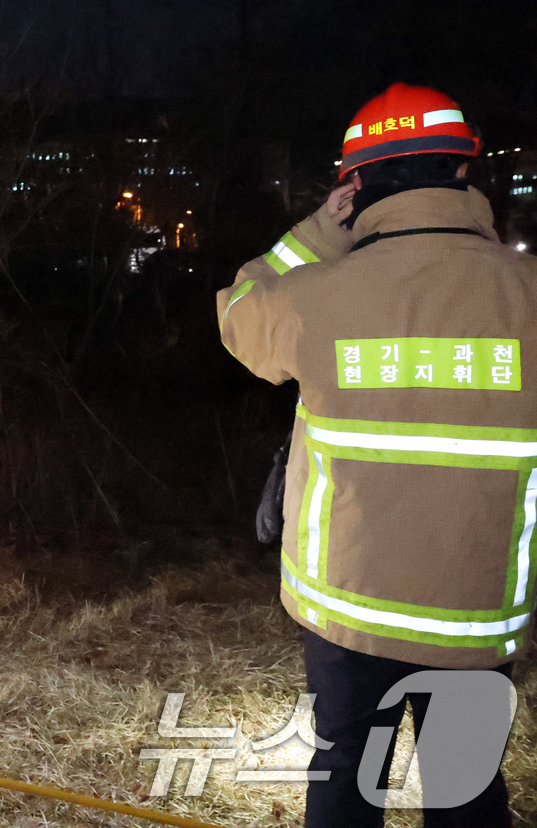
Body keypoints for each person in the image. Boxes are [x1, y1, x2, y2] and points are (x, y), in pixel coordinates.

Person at [217, 83, 533, 827]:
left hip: (347, 613)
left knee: (346, 785)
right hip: (475, 618)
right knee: (466, 795)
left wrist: (317, 235)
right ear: (465, 172)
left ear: (353, 186)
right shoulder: (528, 293)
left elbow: (236, 310)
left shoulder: (316, 296)